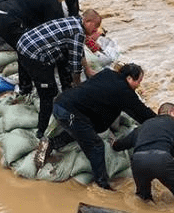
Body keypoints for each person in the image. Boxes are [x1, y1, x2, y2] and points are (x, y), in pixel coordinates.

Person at [45, 62, 157, 190]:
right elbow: (142, 113)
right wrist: (162, 121)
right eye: (138, 81)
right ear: (129, 78)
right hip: (70, 113)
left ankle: (52, 143)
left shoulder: (107, 73)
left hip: (61, 103)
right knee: (96, 146)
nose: (139, 85)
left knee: (85, 130)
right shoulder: (124, 92)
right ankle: (102, 184)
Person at [17, 10, 103, 139]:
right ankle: (41, 131)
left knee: (64, 56)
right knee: (49, 93)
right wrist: (78, 85)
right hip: (32, 53)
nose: (96, 30)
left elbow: (77, 50)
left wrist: (88, 69)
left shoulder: (75, 21)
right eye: (95, 26)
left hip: (24, 42)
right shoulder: (78, 32)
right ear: (87, 21)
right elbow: (75, 65)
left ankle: (62, 87)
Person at [113, 102, 174, 205]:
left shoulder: (145, 125)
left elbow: (121, 145)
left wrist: (113, 144)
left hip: (138, 161)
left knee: (143, 198)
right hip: (161, 159)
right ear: (171, 113)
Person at [0, 0, 71, 95]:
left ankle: (26, 86)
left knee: (24, 50)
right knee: (26, 51)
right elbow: (55, 32)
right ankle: (27, 87)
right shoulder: (52, 1)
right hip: (10, 21)